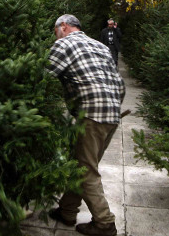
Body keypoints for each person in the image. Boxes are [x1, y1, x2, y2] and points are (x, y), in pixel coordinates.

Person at [47, 14, 125, 236]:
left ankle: (105, 224)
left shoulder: (64, 43)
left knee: (85, 170)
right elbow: (119, 83)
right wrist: (112, 108)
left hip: (91, 115)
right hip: (112, 114)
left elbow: (42, 76)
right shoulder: (100, 46)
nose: (55, 37)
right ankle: (67, 211)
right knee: (82, 163)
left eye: (55, 32)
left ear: (63, 26)